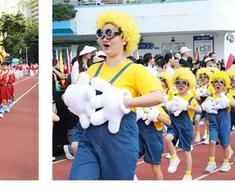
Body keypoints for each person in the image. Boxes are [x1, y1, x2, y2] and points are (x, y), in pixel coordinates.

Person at [65, 11, 164, 180]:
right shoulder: (93, 69)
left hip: (120, 140)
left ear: (125, 39)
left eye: (110, 34)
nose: (105, 38)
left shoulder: (135, 70)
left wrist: (125, 102)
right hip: (90, 139)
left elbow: (158, 96)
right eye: (101, 34)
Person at [164, 68, 200, 180]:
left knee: (186, 151)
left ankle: (188, 173)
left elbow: (199, 109)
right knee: (168, 138)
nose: (180, 85)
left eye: (183, 82)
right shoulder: (174, 96)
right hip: (174, 125)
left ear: (188, 84)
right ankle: (174, 158)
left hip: (185, 127)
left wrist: (186, 106)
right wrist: (168, 105)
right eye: (178, 82)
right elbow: (167, 106)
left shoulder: (190, 98)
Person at [202, 70, 235, 173]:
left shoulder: (226, 95)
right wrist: (205, 106)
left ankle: (226, 163)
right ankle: (211, 163)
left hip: (224, 121)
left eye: (221, 82)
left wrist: (227, 102)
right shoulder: (210, 96)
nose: (218, 84)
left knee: (225, 144)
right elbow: (202, 107)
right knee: (212, 141)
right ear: (212, 83)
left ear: (224, 84)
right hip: (213, 122)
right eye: (216, 81)